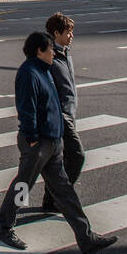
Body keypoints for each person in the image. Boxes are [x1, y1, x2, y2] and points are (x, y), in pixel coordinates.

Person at [0, 31, 117, 254]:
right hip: (38, 143)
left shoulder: (44, 70)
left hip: (52, 142)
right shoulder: (29, 73)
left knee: (65, 191)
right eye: (50, 48)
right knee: (23, 186)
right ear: (40, 50)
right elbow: (26, 108)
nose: (54, 52)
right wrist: (32, 137)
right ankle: (4, 225)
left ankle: (86, 238)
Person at [41, 13, 83, 215]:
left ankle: (51, 200)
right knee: (76, 156)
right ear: (56, 33)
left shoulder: (65, 53)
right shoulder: (48, 56)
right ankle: (61, 198)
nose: (71, 35)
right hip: (59, 117)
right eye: (68, 32)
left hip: (68, 114)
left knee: (56, 161)